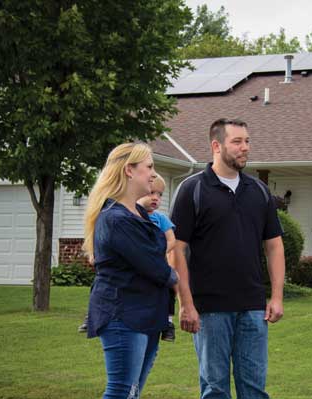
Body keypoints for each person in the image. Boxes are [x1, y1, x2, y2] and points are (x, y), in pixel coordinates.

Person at [170, 118, 285, 399]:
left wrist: (277, 297)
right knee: (215, 389)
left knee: (254, 389)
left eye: (247, 141)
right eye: (237, 142)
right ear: (216, 145)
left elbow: (274, 246)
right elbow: (176, 250)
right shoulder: (192, 189)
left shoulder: (258, 191)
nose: (245, 147)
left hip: (253, 308)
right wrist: (186, 303)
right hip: (210, 309)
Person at [83, 142, 178, 399]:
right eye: (149, 167)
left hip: (146, 314)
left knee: (132, 393)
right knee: (121, 392)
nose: (153, 174)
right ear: (129, 170)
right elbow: (157, 267)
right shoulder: (115, 218)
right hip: (123, 314)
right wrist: (173, 275)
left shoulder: (137, 213)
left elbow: (156, 256)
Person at [137, 173, 177, 342]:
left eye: (159, 195)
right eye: (151, 193)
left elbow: (172, 240)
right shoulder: (133, 216)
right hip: (139, 265)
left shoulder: (161, 219)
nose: (155, 198)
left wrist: (160, 251)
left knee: (170, 285)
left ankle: (168, 323)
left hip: (159, 263)